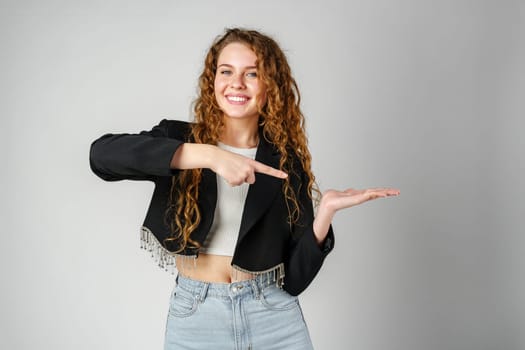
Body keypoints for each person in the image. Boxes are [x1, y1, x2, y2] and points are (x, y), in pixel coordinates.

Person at [90, 27, 399, 350]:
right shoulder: (180, 140)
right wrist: (210, 156)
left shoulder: (283, 161)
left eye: (252, 73)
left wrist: (325, 214)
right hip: (197, 315)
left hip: (274, 314)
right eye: (226, 71)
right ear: (213, 80)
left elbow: (294, 280)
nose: (236, 83)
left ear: (269, 86)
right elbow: (101, 156)